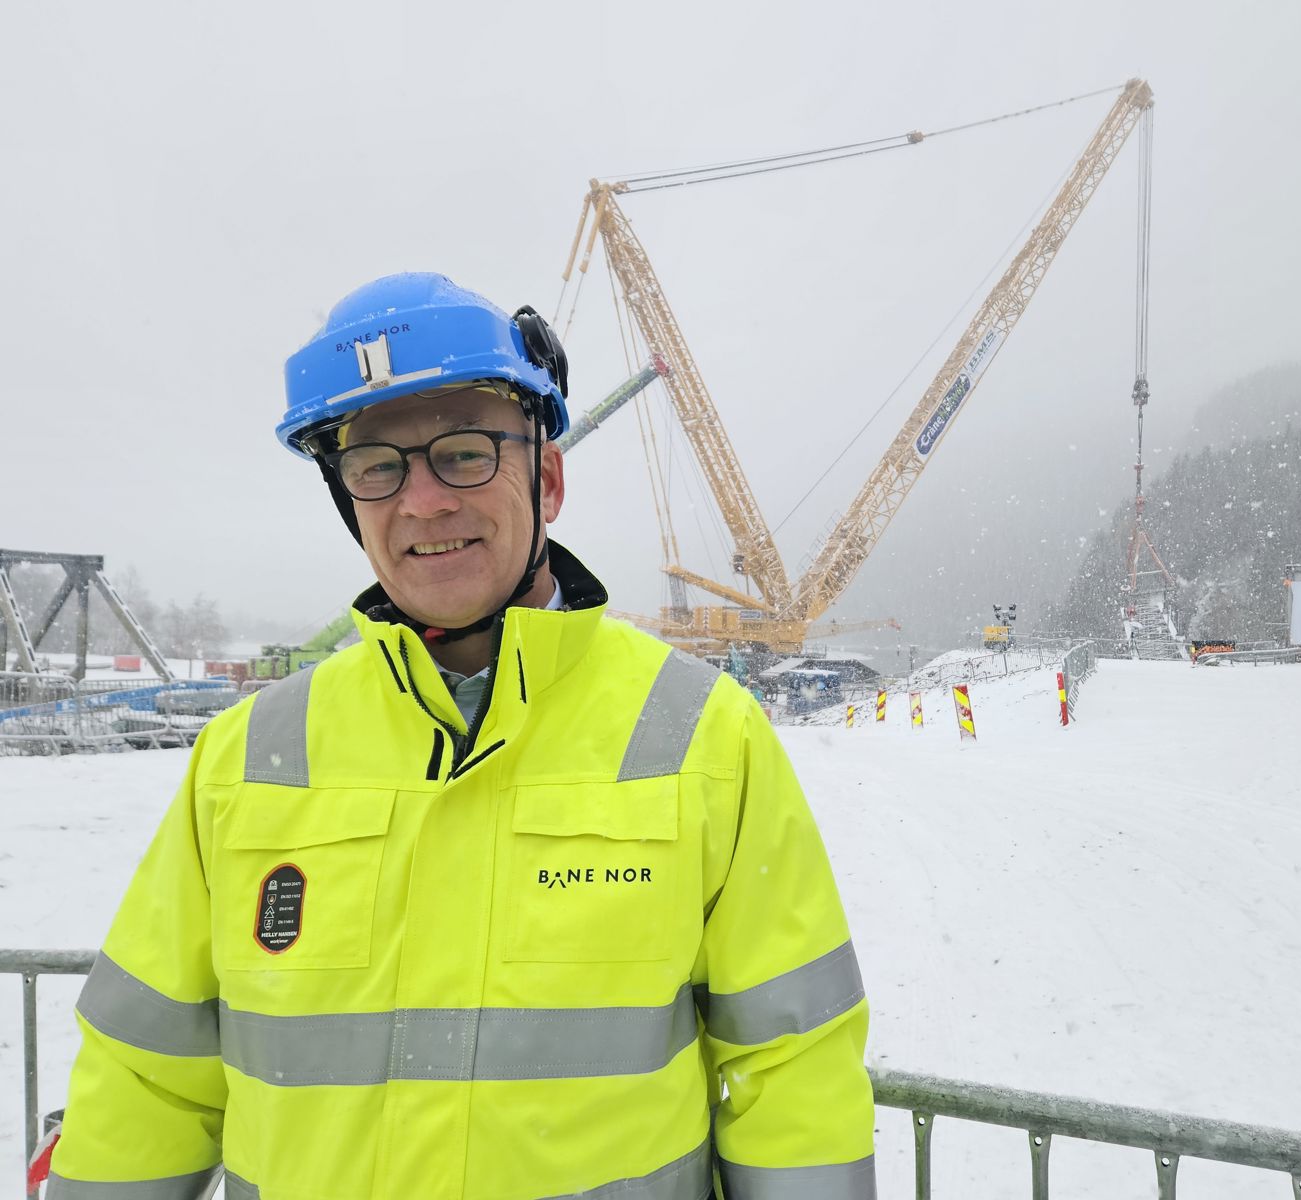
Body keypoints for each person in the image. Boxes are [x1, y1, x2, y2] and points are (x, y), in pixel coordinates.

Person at [48, 273, 877, 1199]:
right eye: (378, 467)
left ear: (547, 477)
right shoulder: (249, 757)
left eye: (465, 453)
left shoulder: (703, 739)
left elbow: (791, 1072)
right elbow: (145, 1079)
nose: (425, 502)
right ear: (349, 499)